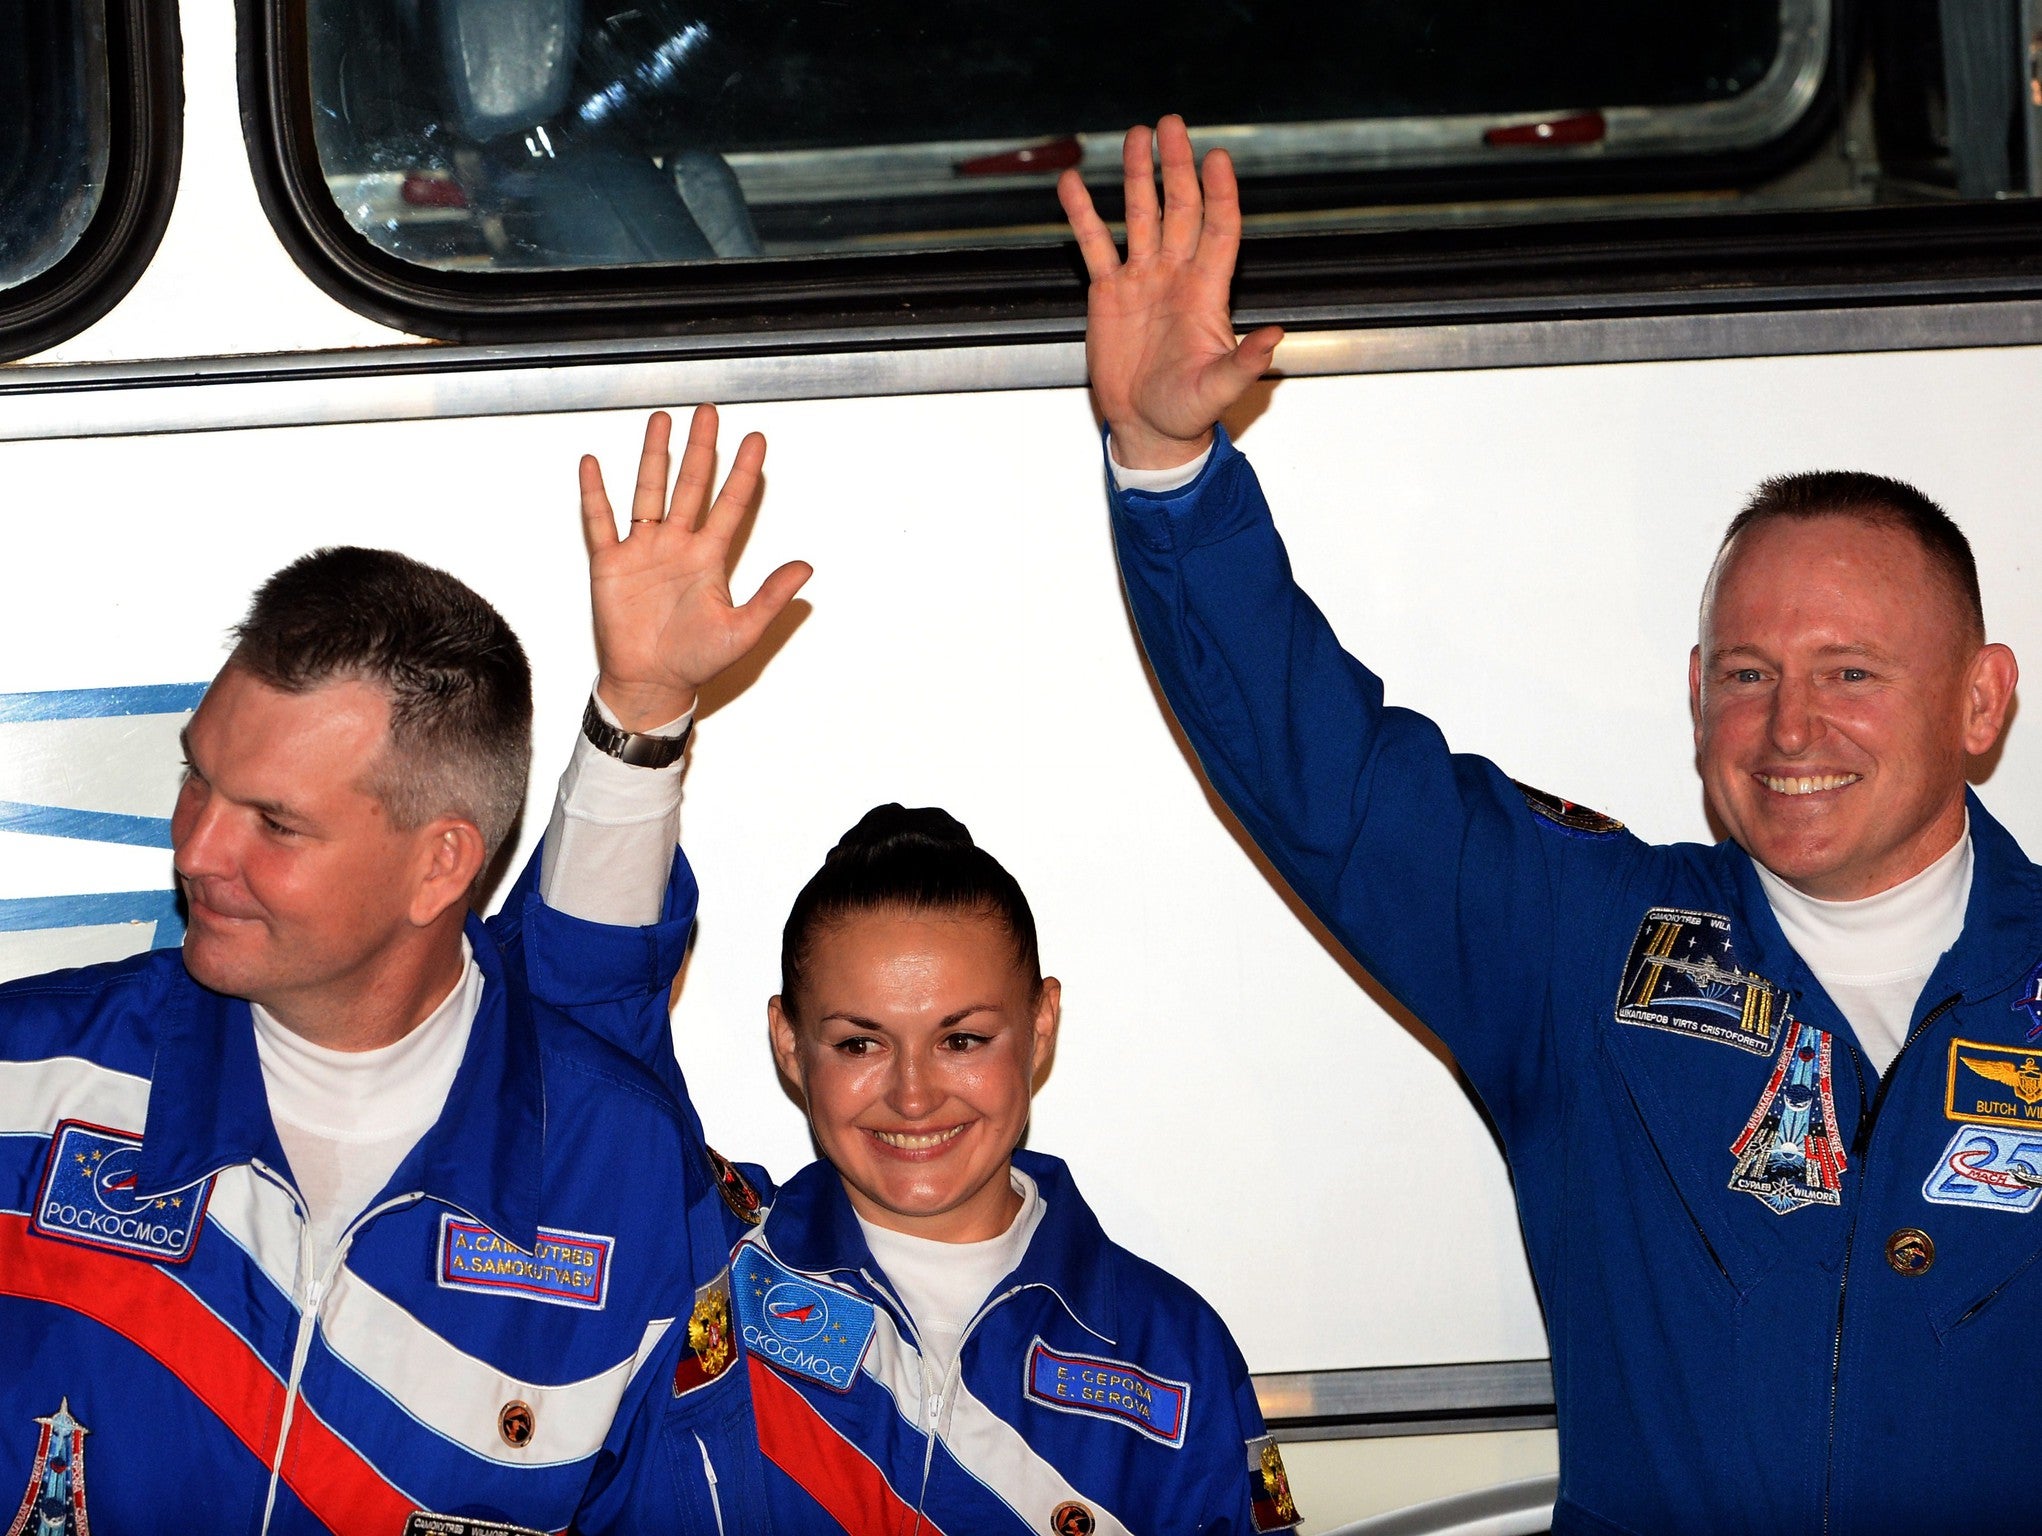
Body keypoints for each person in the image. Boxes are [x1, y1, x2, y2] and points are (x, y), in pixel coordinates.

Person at [1058, 117, 2033, 1535]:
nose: (1789, 728)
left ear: (1979, 703)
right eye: (1747, 676)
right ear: (1695, 699)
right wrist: (1163, 457)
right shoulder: (1585, 950)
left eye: (1851, 675)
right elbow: (1319, 769)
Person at [0, 404, 806, 1534]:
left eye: (274, 824)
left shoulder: (618, 1171)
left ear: (439, 870)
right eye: (199, 782)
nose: (196, 850)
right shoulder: (23, 1082)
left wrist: (644, 713)